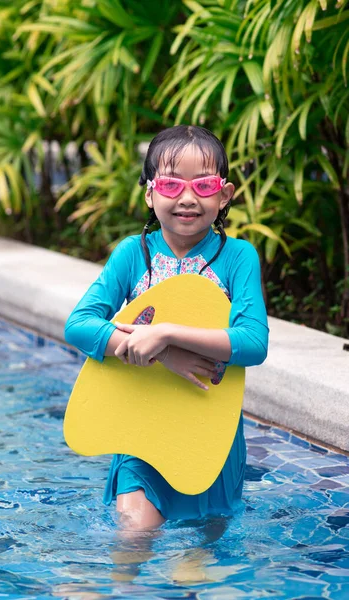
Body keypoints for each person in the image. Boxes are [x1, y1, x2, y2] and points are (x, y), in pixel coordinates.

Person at [64, 125, 269, 531]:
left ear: (225, 194)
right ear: (150, 193)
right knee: (133, 535)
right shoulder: (132, 254)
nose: (188, 198)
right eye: (172, 185)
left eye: (204, 185)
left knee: (202, 558)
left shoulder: (238, 258)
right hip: (140, 424)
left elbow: (253, 342)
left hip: (210, 430)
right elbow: (79, 325)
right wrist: (163, 354)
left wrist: (168, 331)